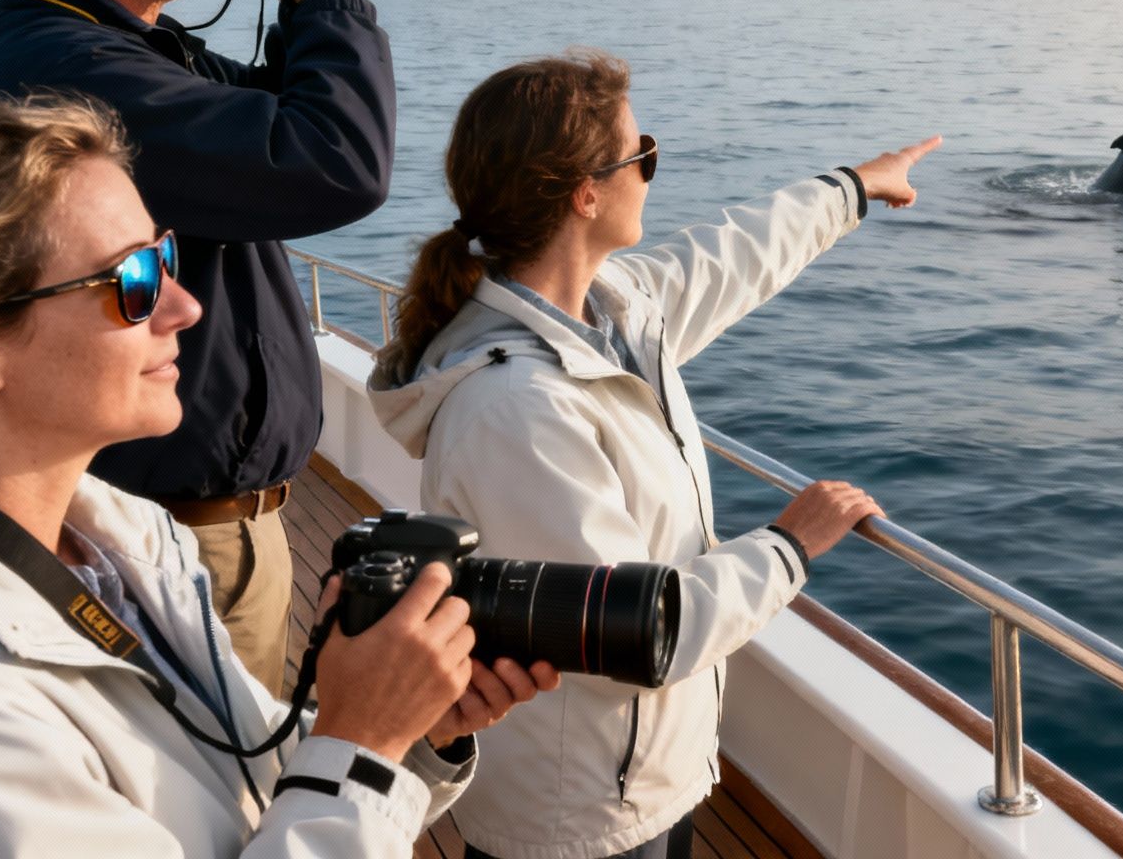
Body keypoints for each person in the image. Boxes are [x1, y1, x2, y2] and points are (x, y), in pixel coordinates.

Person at [0, 99, 556, 857]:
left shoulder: (116, 542)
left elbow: (232, 786)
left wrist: (402, 732)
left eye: (165, 255)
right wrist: (362, 749)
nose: (185, 306)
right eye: (133, 282)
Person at [370, 50, 939, 859]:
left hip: (640, 780)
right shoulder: (515, 409)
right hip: (576, 818)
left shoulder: (613, 306)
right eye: (645, 155)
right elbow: (633, 638)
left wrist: (854, 186)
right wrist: (789, 546)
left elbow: (730, 254)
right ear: (586, 193)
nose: (652, 170)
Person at [0, 0, 394, 691]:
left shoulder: (119, 46)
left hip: (198, 527)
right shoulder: (68, 65)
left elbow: (284, 121)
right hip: (170, 538)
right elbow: (334, 162)